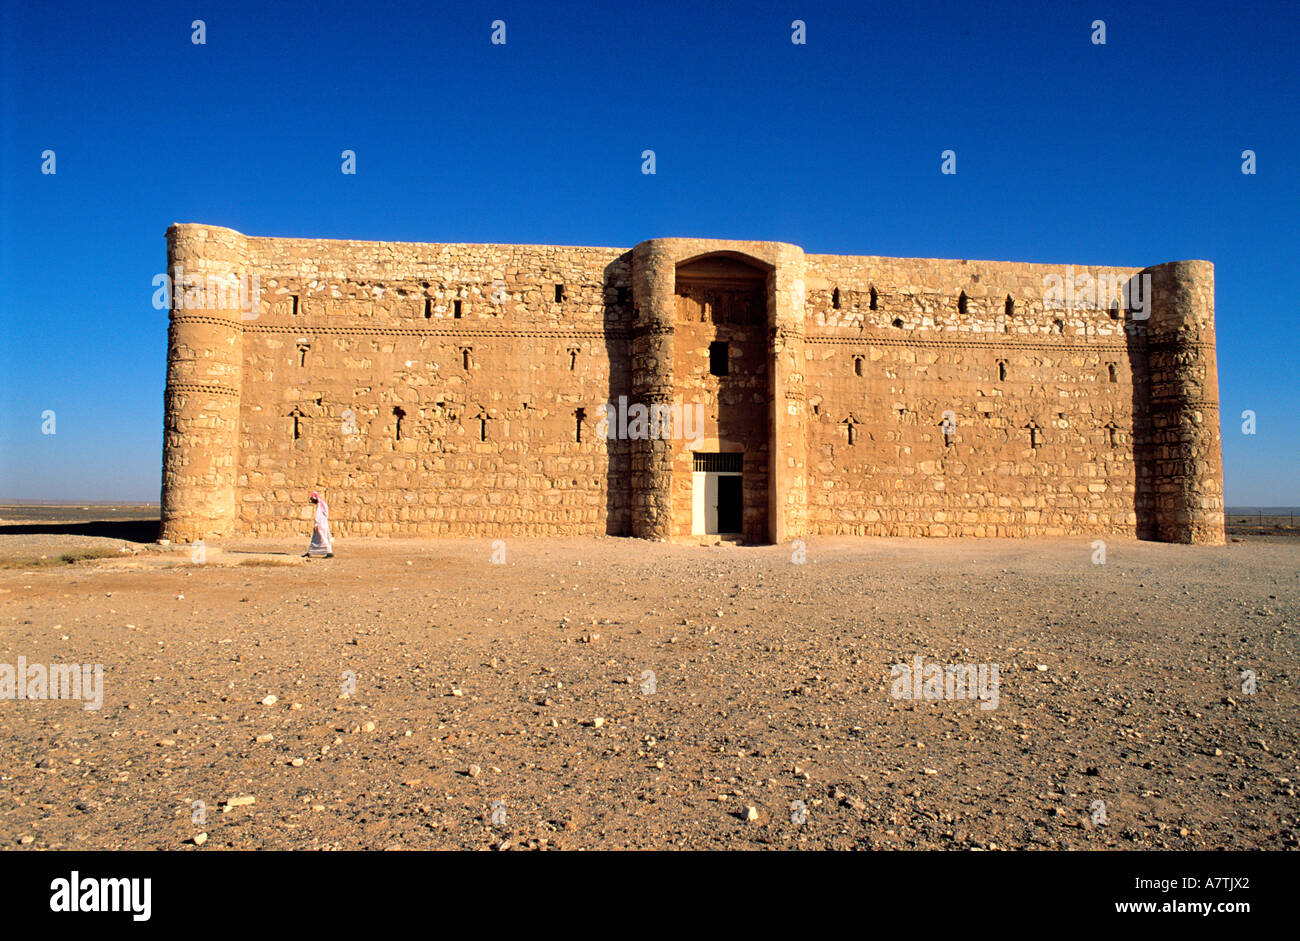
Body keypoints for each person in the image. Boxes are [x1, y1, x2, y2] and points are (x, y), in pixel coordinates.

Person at [305, 491, 334, 558]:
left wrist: (315, 525)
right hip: (324, 524)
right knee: (315, 539)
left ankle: (329, 552)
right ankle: (310, 552)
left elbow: (318, 516)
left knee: (323, 538)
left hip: (320, 525)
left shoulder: (319, 505)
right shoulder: (323, 504)